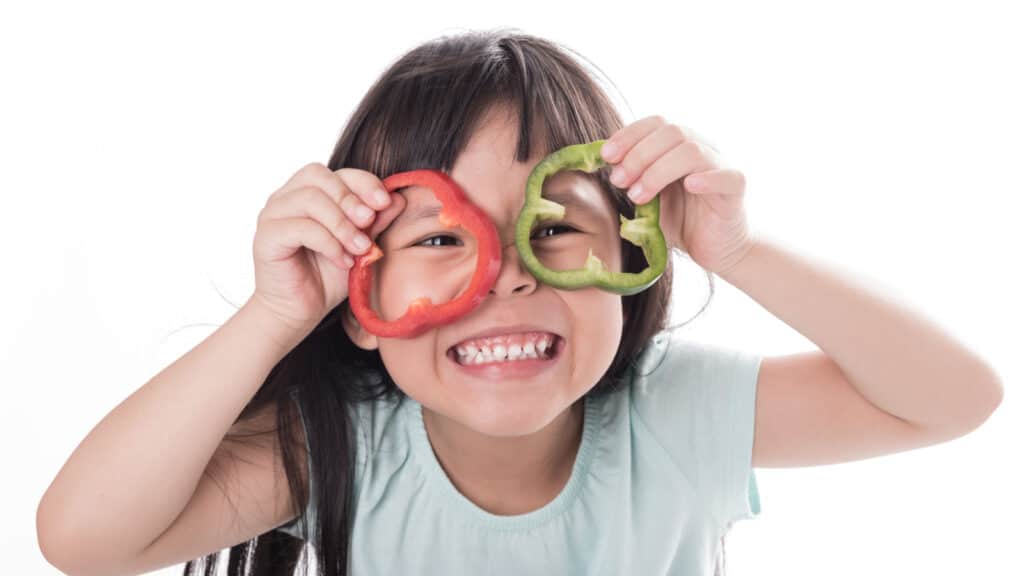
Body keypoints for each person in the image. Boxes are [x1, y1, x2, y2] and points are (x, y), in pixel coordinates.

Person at [38, 27, 1003, 576]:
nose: (506, 273)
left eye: (553, 227)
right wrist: (274, 315)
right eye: (441, 238)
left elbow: (957, 399)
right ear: (361, 295)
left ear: (634, 250)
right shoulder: (339, 447)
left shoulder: (675, 415)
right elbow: (84, 542)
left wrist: (735, 249)